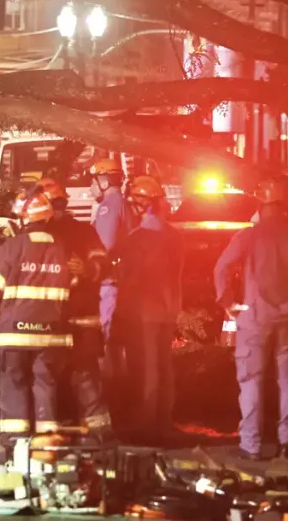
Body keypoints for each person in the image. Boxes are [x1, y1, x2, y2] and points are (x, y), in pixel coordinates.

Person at [213, 178, 288, 461]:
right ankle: (287, 442)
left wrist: (228, 303)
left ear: (259, 204)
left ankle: (251, 444)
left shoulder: (247, 237)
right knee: (287, 380)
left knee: (251, 380)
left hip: (254, 315)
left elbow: (221, 268)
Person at [0, 191, 74, 444]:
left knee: (14, 380)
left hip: (14, 333)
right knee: (46, 382)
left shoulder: (11, 248)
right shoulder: (64, 248)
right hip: (52, 334)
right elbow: (75, 286)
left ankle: (16, 435)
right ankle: (48, 436)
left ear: (23, 218)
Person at [36, 177, 114, 439]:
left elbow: (104, 265)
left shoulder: (83, 232)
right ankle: (54, 428)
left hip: (80, 318)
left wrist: (87, 269)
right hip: (47, 318)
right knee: (47, 375)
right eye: (52, 203)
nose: (57, 208)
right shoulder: (33, 235)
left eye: (60, 203)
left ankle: (98, 431)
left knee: (85, 374)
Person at [114, 175, 184, 446]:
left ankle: (145, 427)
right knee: (164, 367)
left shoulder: (138, 238)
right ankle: (163, 422)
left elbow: (132, 277)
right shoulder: (174, 235)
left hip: (141, 312)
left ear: (141, 204)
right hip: (167, 310)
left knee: (145, 369)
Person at [88, 158, 136, 402]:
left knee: (108, 340)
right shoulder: (124, 205)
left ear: (104, 181)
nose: (91, 187)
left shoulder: (108, 208)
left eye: (93, 181)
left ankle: (112, 396)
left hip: (109, 283)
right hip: (123, 282)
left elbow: (103, 249)